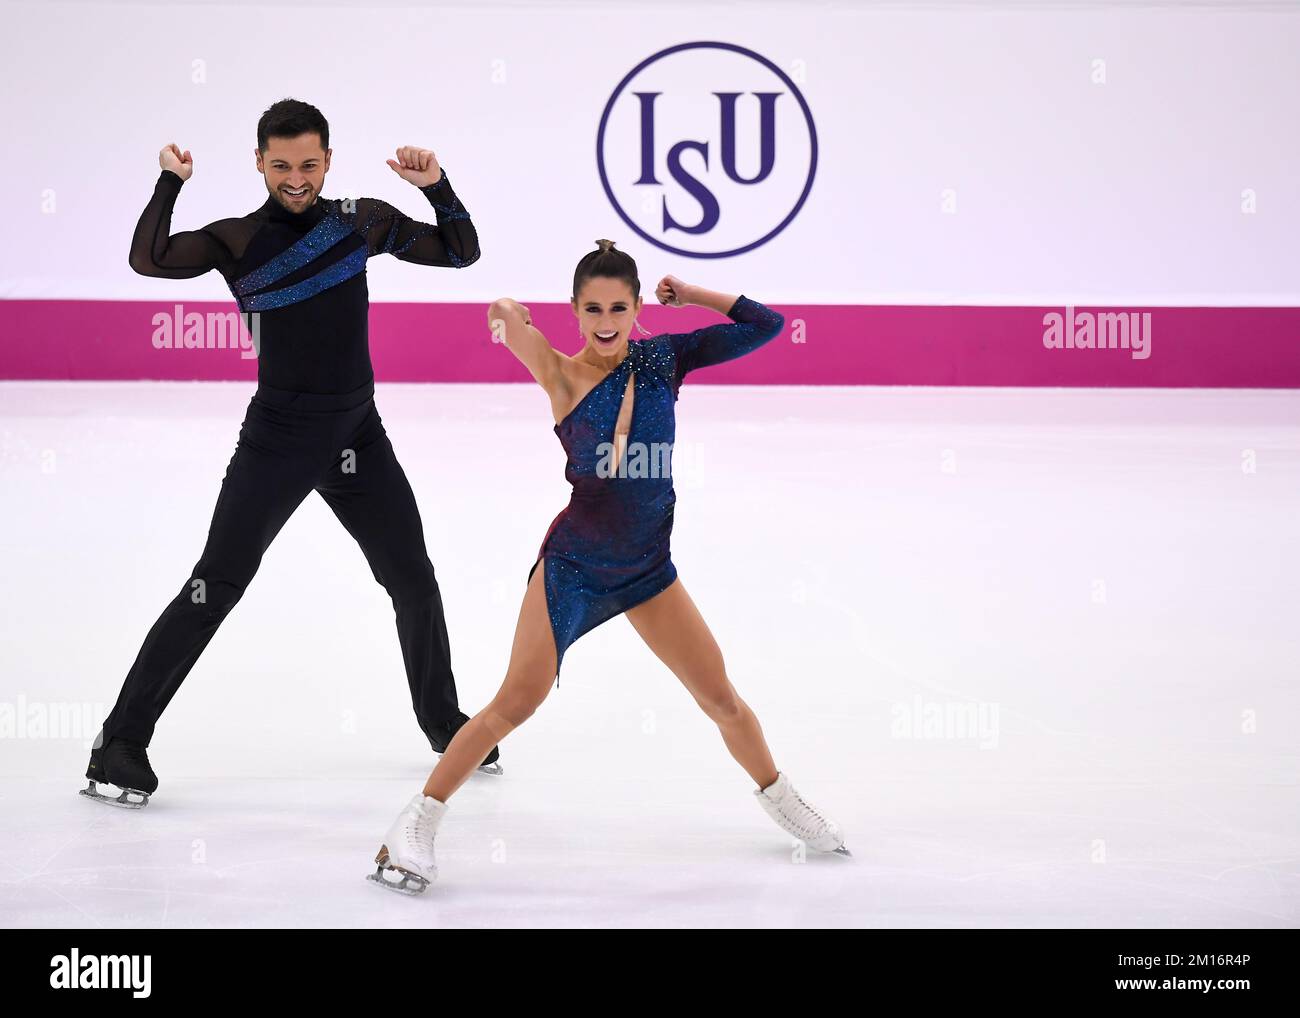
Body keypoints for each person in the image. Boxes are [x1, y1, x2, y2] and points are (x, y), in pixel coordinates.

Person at [367, 240, 847, 893]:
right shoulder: (561, 375)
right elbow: (504, 314)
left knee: (722, 699)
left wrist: (697, 294)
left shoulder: (665, 359)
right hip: (574, 566)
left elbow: (764, 326)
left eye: (618, 307)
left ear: (638, 306)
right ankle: (414, 825)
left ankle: (784, 800)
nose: (604, 320)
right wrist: (508, 310)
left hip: (647, 569)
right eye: (592, 307)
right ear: (574, 309)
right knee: (515, 701)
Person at [82, 98, 499, 809]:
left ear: (328, 160)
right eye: (281, 166)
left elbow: (461, 252)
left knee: (412, 576)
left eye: (309, 164)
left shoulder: (361, 221)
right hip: (278, 438)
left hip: (356, 433)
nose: (296, 178)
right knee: (216, 584)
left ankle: (443, 722)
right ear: (259, 163)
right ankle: (119, 742)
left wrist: (436, 187)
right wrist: (170, 182)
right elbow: (147, 258)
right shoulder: (238, 240)